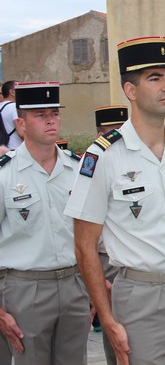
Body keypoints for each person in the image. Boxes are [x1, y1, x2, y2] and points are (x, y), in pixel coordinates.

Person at [65, 36, 165, 364]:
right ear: (130, 90)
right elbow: (84, 246)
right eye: (154, 78)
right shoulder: (104, 156)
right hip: (141, 295)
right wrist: (107, 318)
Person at [0, 82, 89, 364]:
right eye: (40, 115)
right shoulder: (5, 174)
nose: (51, 120)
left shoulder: (77, 169)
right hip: (26, 288)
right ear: (21, 124)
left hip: (74, 283)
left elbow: (91, 234)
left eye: (55, 113)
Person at [93, 105, 129, 365]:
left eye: (122, 130)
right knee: (114, 326)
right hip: (106, 258)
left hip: (136, 258)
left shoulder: (138, 162)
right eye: (112, 131)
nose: (118, 136)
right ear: (100, 134)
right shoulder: (94, 166)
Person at [0, 81, 22, 150]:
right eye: (20, 89)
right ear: (12, 92)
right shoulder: (14, 107)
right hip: (15, 149)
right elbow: (21, 132)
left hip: (3, 149)